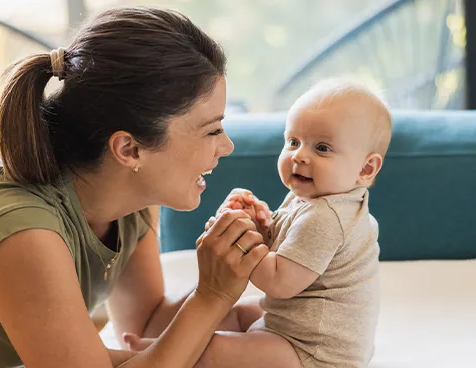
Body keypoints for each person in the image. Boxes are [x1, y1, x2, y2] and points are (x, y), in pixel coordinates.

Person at [0, 6, 270, 367]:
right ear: (129, 148)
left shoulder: (128, 195)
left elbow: (144, 324)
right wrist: (212, 294)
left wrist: (269, 310)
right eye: (212, 130)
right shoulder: (22, 231)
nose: (227, 146)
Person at [126, 79, 392, 368]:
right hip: (295, 324)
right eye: (293, 141)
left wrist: (240, 240)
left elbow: (279, 281)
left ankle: (153, 356)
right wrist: (260, 226)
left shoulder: (328, 218)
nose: (300, 155)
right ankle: (163, 344)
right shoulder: (308, 199)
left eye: (323, 148)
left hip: (314, 354)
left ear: (366, 168)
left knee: (217, 350)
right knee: (239, 312)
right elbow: (287, 250)